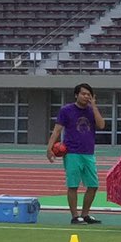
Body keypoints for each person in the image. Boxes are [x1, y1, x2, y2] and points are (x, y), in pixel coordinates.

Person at [48, 84, 107, 226]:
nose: (86, 97)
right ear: (76, 95)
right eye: (83, 94)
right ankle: (75, 216)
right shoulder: (66, 110)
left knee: (93, 185)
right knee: (73, 185)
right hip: (72, 152)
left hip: (88, 153)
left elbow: (101, 125)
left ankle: (85, 214)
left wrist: (94, 107)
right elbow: (57, 131)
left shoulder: (92, 110)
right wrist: (49, 148)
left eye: (89, 94)